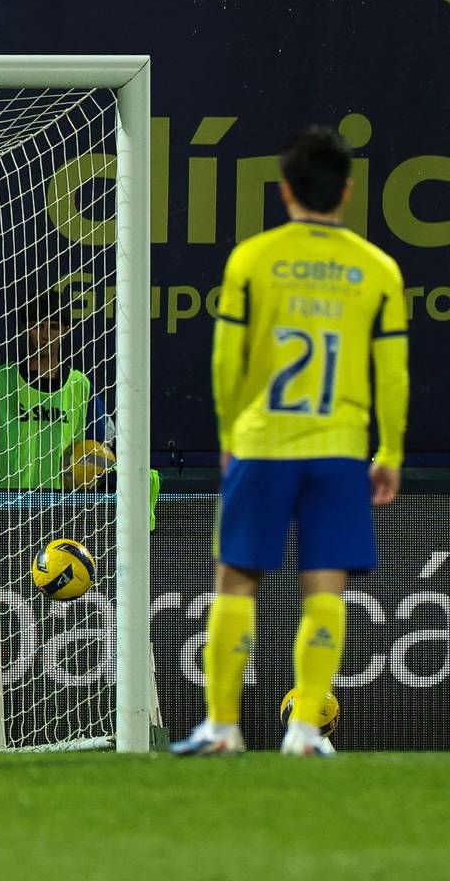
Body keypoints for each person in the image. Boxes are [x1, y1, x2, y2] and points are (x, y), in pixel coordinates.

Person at [173, 127, 407, 758]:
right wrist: (390, 453)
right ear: (348, 192)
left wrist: (228, 436)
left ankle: (222, 727)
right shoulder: (377, 268)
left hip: (263, 442)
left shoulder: (253, 257)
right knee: (325, 589)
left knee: (237, 582)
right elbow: (392, 372)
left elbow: (228, 360)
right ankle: (305, 731)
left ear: (283, 190)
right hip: (338, 448)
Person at [0, 290, 106, 490]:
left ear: (66, 330)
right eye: (39, 326)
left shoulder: (80, 386)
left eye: (53, 327)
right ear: (25, 328)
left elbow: (105, 446)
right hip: (5, 500)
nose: (45, 335)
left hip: (63, 505)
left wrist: (89, 473)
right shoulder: (0, 380)